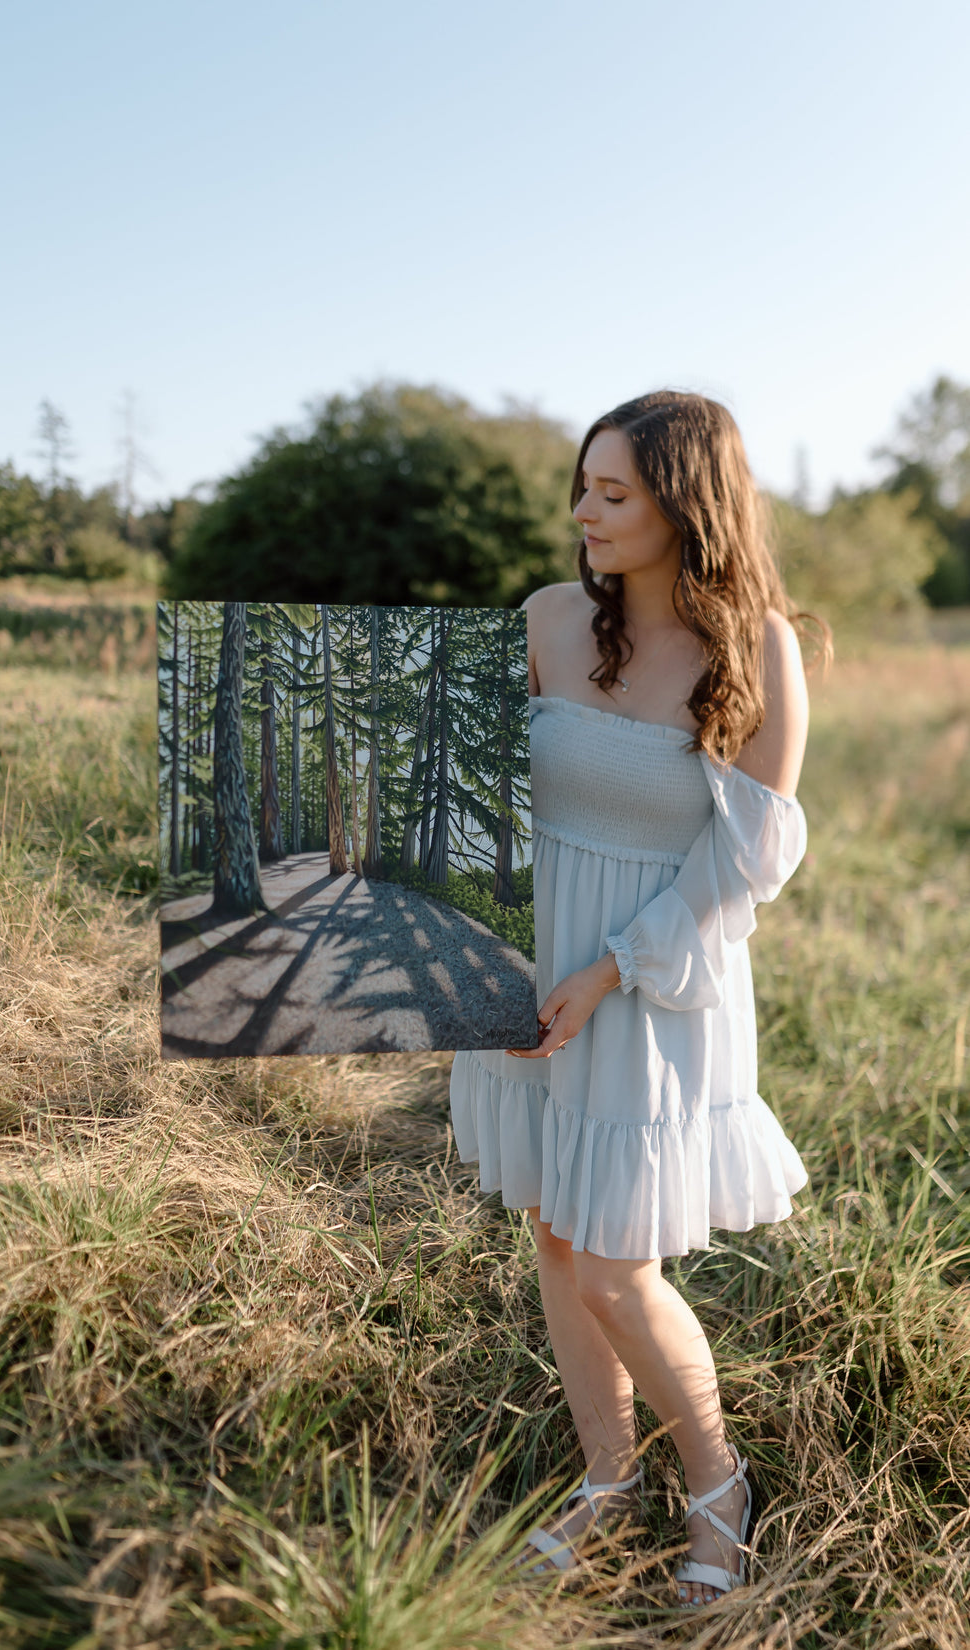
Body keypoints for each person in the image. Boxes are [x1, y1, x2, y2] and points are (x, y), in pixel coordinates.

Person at [450, 389, 825, 1608]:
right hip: (531, 967)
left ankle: (717, 1485)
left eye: (612, 492)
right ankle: (607, 1480)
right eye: (583, 486)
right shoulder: (546, 619)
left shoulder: (755, 647)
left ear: (684, 504)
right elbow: (463, 791)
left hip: (653, 979)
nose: (583, 511)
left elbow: (742, 863)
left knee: (615, 1265)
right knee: (555, 1238)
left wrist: (606, 970)